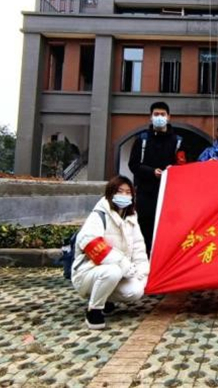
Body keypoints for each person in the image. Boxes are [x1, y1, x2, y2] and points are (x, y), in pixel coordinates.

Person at [72, 175, 149, 330]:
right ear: (110, 193)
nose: (124, 195)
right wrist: (123, 263)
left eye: (128, 192)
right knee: (113, 271)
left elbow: (139, 248)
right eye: (120, 191)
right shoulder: (99, 215)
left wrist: (141, 274)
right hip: (88, 272)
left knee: (135, 291)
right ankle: (94, 310)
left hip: (117, 273)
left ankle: (106, 298)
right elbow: (90, 242)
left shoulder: (131, 218)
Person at [128, 101, 186, 255]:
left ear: (169, 117)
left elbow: (183, 165)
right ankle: (144, 260)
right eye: (156, 114)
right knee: (144, 230)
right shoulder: (142, 139)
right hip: (145, 194)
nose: (159, 117)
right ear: (151, 117)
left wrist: (173, 170)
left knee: (168, 230)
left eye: (162, 114)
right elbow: (133, 165)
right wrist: (151, 172)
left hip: (169, 195)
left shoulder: (178, 141)